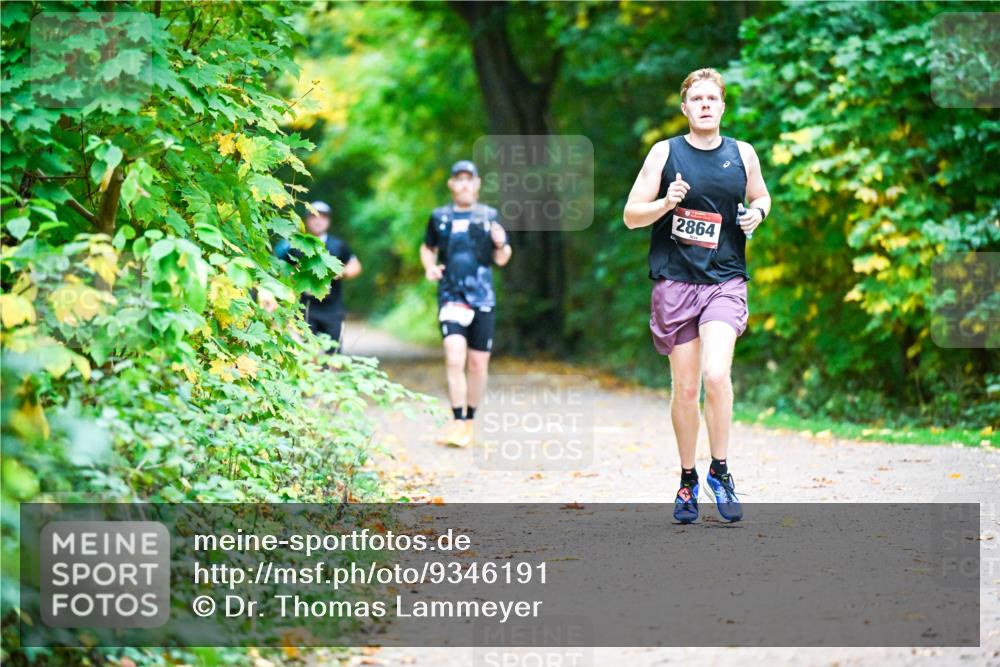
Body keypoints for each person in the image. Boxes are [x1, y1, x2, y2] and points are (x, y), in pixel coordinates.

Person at [623, 68, 771, 523]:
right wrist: (667, 203)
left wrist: (757, 216)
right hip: (675, 284)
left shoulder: (742, 154)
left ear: (723, 106)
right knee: (685, 389)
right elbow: (631, 216)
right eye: (697, 99)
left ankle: (720, 472)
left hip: (725, 282)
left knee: (715, 373)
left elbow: (761, 196)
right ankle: (687, 480)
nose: (705, 105)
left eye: (713, 98)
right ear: (685, 108)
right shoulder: (664, 153)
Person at [420, 160, 512, 447]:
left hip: (482, 296)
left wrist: (500, 243)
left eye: (468, 179)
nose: (463, 184)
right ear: (451, 184)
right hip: (451, 294)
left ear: (477, 183)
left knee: (477, 363)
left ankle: (470, 421)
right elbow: (427, 247)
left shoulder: (489, 216)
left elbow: (502, 259)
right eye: (458, 179)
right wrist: (429, 267)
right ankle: (457, 420)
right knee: (453, 355)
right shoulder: (439, 217)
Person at [275, 201, 362, 351]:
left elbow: (355, 266)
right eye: (313, 216)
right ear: (306, 219)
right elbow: (279, 269)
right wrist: (294, 275)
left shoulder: (338, 245)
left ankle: (333, 374)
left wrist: (341, 272)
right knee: (309, 353)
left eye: (323, 217)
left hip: (332, 308)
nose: (318, 220)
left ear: (328, 220)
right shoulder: (294, 244)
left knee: (334, 353)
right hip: (305, 308)